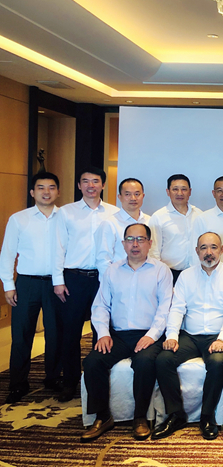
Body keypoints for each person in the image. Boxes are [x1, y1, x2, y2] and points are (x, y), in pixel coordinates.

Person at [81, 223, 172, 442]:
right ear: (123, 244)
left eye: (140, 239)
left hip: (149, 334)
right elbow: (101, 305)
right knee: (93, 362)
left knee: (144, 362)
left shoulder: (161, 270)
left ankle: (140, 417)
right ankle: (103, 416)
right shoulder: (112, 270)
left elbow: (165, 308)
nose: (135, 244)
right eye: (130, 239)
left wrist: (151, 335)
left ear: (150, 243)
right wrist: (103, 333)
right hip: (118, 335)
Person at [152, 232, 223, 441]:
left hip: (217, 335)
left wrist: (222, 339)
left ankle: (207, 417)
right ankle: (176, 415)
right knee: (163, 359)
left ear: (221, 250)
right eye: (203, 247)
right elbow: (177, 308)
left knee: (217, 363)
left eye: (213, 247)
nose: (208, 252)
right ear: (196, 251)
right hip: (190, 336)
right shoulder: (186, 276)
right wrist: (172, 336)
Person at [53, 166, 119, 402]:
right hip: (74, 278)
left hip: (104, 278)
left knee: (101, 330)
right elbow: (58, 247)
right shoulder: (66, 212)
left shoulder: (114, 213)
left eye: (95, 181)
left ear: (103, 185)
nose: (91, 186)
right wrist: (58, 280)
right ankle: (70, 382)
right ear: (79, 185)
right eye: (86, 181)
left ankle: (95, 381)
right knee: (70, 333)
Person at [1, 172, 62, 403]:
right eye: (41, 187)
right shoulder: (19, 219)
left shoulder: (65, 218)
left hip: (57, 283)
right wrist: (8, 284)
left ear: (58, 192)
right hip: (27, 283)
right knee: (21, 334)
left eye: (51, 187)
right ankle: (18, 383)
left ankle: (53, 378)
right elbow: (7, 253)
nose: (46, 192)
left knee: (56, 334)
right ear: (32, 192)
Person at [148, 174, 202, 284]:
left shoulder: (199, 215)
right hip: (169, 273)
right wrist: (158, 274)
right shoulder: (158, 217)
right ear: (168, 192)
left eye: (184, 189)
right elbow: (153, 251)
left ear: (190, 192)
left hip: (196, 273)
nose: (180, 193)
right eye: (175, 189)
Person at [95, 178, 150, 279]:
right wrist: (110, 282)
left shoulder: (151, 221)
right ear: (120, 197)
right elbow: (103, 259)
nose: (133, 198)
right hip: (119, 279)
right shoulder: (110, 223)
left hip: (147, 278)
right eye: (127, 194)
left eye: (137, 194)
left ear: (143, 196)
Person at [192, 176, 223, 269]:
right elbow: (195, 253)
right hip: (212, 271)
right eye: (219, 191)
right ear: (213, 193)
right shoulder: (203, 219)